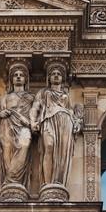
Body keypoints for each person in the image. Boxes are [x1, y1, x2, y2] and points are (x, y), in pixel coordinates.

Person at [30, 62, 82, 191]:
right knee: (49, 146)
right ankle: (47, 182)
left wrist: (76, 122)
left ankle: (58, 181)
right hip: (48, 120)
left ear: (62, 78)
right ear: (49, 77)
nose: (56, 76)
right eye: (53, 74)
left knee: (62, 153)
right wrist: (32, 121)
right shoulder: (43, 92)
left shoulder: (66, 95)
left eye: (59, 74)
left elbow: (70, 111)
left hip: (65, 122)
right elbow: (35, 108)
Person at [0, 62, 35, 190]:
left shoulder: (31, 97)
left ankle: (13, 179)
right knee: (7, 152)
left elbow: (35, 115)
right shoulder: (6, 97)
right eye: (15, 75)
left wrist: (30, 123)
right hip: (7, 125)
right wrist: (1, 113)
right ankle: (9, 181)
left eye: (21, 75)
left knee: (24, 144)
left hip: (23, 126)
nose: (18, 77)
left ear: (25, 79)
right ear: (11, 79)